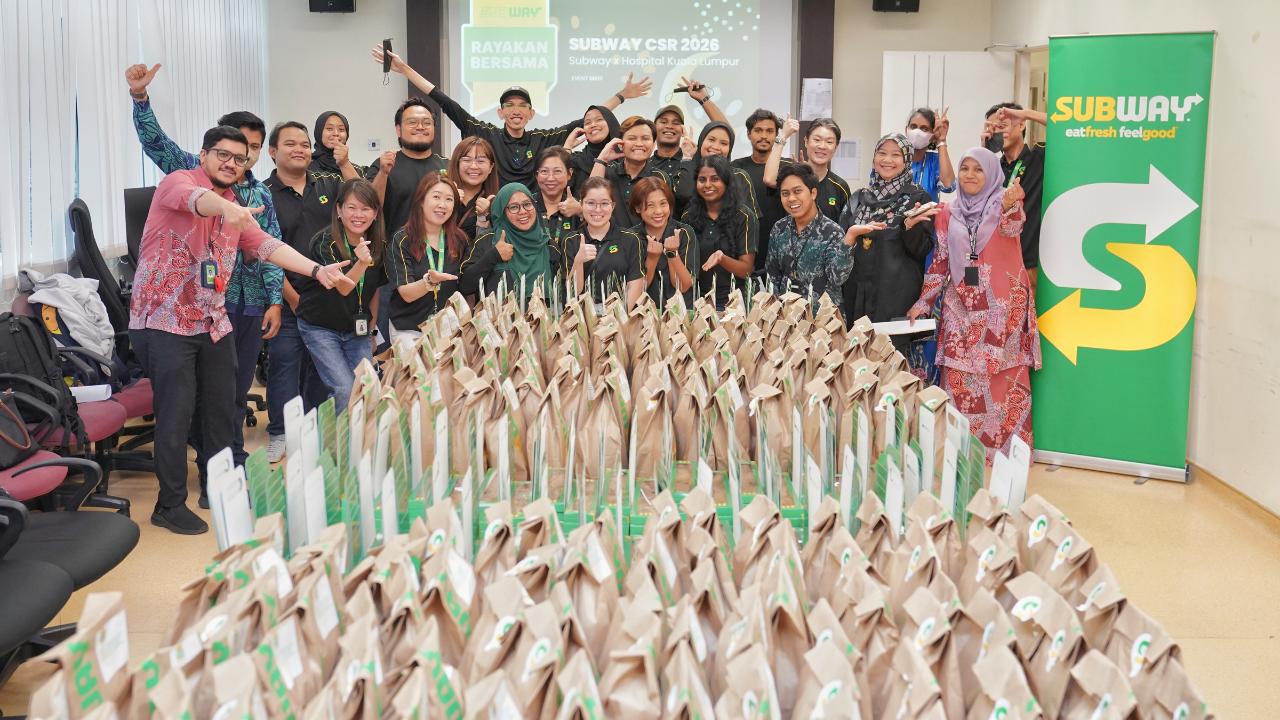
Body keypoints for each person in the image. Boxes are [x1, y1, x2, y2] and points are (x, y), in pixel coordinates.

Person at [129, 125, 351, 534]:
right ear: (204, 154)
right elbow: (196, 200)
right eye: (223, 155)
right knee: (177, 413)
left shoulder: (236, 206)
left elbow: (267, 245)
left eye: (239, 158)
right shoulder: (178, 182)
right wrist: (227, 209)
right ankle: (169, 504)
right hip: (165, 321)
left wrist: (317, 271)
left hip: (213, 321)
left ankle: (217, 486)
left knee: (222, 409)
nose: (231, 163)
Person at [125, 63, 282, 480]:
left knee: (229, 395)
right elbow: (155, 143)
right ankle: (202, 471)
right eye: (232, 149)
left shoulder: (259, 192)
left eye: (250, 149)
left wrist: (276, 298)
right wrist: (140, 99)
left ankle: (229, 465)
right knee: (188, 400)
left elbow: (269, 244)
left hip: (244, 303)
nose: (240, 158)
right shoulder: (189, 173)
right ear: (210, 151)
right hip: (190, 307)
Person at [907, 147, 1037, 461]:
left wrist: (1011, 204)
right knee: (960, 378)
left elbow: (1013, 226)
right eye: (965, 168)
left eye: (978, 169)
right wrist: (924, 301)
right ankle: (961, 451)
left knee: (1002, 380)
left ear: (991, 174)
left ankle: (1007, 455)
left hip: (1002, 309)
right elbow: (940, 260)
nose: (970, 175)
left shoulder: (1004, 202)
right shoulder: (947, 213)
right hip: (960, 305)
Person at [373, 45, 650, 187]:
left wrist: (621, 95)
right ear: (500, 112)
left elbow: (590, 119)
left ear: (531, 113)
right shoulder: (485, 134)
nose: (516, 110)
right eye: (509, 105)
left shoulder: (542, 139)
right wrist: (405, 70)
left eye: (522, 106)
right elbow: (444, 100)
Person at [263, 121, 341, 463]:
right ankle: (280, 431)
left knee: (321, 367)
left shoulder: (327, 185)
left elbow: (361, 207)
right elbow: (265, 251)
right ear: (272, 152)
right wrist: (291, 299)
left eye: (305, 144)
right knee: (284, 364)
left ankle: (313, 428)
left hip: (327, 296)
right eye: (290, 144)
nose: (300, 149)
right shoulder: (263, 193)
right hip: (286, 297)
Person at [295, 179, 386, 413]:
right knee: (345, 390)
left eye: (365, 209)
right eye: (351, 207)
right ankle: (336, 437)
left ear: (375, 213)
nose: (358, 215)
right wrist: (362, 263)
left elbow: (375, 289)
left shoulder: (379, 244)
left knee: (368, 387)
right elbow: (343, 288)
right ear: (338, 209)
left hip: (355, 329)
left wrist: (371, 330)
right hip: (320, 327)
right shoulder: (324, 241)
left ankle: (358, 435)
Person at [838, 133, 935, 342]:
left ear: (906, 160)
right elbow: (841, 243)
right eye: (882, 153)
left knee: (890, 357)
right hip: (857, 295)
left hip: (894, 299)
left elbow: (922, 250)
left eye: (896, 155)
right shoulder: (859, 198)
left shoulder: (917, 198)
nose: (887, 160)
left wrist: (909, 227)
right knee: (857, 355)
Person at [385, 173, 465, 345]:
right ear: (421, 200)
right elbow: (406, 294)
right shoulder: (402, 239)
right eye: (436, 197)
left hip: (447, 329)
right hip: (408, 330)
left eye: (449, 199)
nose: (442, 205)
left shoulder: (459, 239)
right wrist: (429, 281)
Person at [764, 164, 851, 309]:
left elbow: (837, 279)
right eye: (785, 193)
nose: (791, 198)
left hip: (822, 317)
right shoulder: (779, 228)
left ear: (813, 193)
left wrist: (849, 240)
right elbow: (772, 276)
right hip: (786, 316)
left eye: (797, 191)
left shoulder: (833, 232)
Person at [460, 183, 561, 299]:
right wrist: (494, 255)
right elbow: (465, 286)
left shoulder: (549, 246)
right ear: (502, 212)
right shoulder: (487, 242)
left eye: (527, 204)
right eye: (514, 207)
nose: (523, 211)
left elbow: (562, 293)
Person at [681, 155, 758, 308]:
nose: (707, 185)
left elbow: (746, 270)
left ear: (727, 181)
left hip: (735, 303)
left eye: (715, 179)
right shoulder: (688, 217)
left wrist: (722, 259)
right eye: (702, 180)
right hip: (698, 301)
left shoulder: (744, 216)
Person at [982, 102, 1047, 278]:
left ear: (1021, 124)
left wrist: (1026, 113)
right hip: (995, 263)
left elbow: (1064, 128)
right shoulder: (992, 169)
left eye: (1002, 126)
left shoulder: (1039, 157)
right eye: (993, 129)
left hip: (1029, 264)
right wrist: (984, 150)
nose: (997, 132)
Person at [561, 177, 645, 307]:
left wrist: (621, 317)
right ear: (581, 204)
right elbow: (572, 293)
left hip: (619, 314)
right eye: (591, 203)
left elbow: (635, 286)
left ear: (613, 206)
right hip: (584, 315)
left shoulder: (631, 239)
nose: (598, 210)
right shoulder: (571, 240)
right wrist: (578, 261)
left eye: (604, 203)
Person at [589, 116, 677, 228]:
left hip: (645, 238)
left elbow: (664, 219)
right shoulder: (606, 170)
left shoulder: (659, 177)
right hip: (608, 237)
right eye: (632, 138)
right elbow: (590, 198)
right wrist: (602, 159)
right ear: (620, 143)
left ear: (654, 144)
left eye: (645, 138)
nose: (639, 144)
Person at [732, 109, 790, 271]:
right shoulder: (735, 168)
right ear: (748, 134)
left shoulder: (789, 168)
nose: (764, 136)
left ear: (777, 135)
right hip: (744, 249)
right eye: (758, 130)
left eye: (770, 131)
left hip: (780, 248)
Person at [765, 116, 850, 222]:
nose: (822, 146)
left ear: (836, 147)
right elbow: (769, 180)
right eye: (817, 140)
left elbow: (845, 227)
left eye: (829, 142)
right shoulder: (792, 177)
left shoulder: (840, 187)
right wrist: (783, 135)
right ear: (806, 141)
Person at [630, 177, 696, 307]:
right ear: (638, 208)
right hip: (644, 313)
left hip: (680, 313)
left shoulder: (684, 233)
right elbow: (638, 290)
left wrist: (672, 254)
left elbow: (683, 286)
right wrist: (652, 258)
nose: (658, 211)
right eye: (650, 205)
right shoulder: (631, 237)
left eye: (663, 204)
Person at [673, 121, 759, 218]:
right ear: (701, 141)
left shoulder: (739, 176)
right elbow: (684, 194)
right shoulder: (686, 169)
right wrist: (688, 157)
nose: (716, 147)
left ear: (730, 149)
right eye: (711, 140)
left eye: (724, 143)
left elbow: (751, 219)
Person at [650, 77, 727, 177]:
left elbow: (726, 131)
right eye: (664, 122)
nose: (669, 126)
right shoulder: (644, 165)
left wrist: (703, 98)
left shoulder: (697, 159)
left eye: (676, 123)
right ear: (654, 128)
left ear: (682, 131)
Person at [531, 147, 582, 262]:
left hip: (571, 271)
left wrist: (581, 211)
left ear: (569, 173)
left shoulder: (579, 209)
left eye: (557, 171)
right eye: (544, 171)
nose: (551, 178)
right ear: (536, 175)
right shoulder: (525, 206)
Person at [447, 137, 501, 240]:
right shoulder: (440, 194)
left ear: (491, 167)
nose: (474, 166)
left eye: (480, 161)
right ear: (457, 164)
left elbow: (492, 245)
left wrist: (483, 216)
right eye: (466, 160)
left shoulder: (497, 203)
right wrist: (448, 201)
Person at [564, 105, 620, 196]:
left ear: (611, 123)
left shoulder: (626, 159)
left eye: (599, 119)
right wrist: (567, 147)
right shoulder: (575, 161)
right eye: (587, 123)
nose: (593, 125)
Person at [903, 107, 956, 201]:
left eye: (924, 129)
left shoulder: (935, 161)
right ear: (906, 130)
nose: (917, 132)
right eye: (913, 127)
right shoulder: (896, 159)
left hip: (928, 211)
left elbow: (948, 186)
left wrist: (941, 140)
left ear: (933, 136)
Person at [310, 111, 363, 180]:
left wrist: (345, 163)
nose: (336, 133)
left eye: (341, 129)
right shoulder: (306, 166)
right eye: (329, 129)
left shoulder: (357, 170)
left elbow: (359, 187)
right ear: (319, 132)